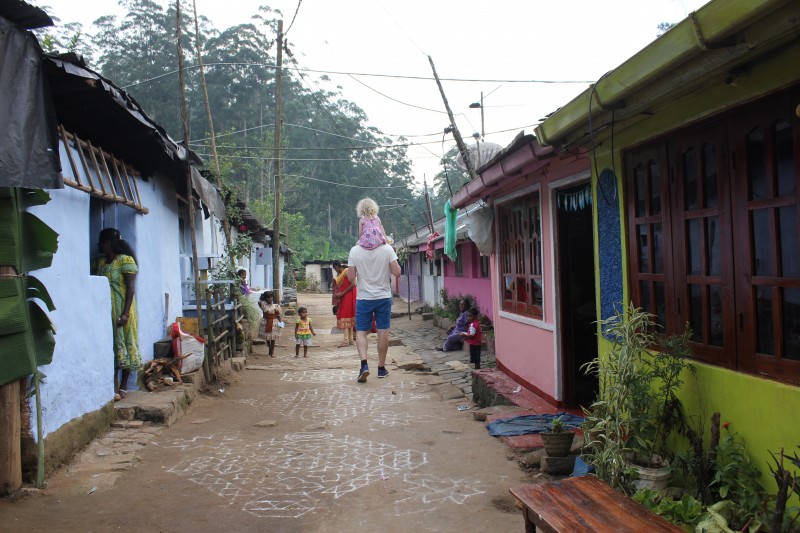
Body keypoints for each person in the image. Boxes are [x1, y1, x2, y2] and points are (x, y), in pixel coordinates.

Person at [347, 223, 402, 382]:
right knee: (382, 330)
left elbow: (351, 278)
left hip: (363, 297)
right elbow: (398, 273)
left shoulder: (355, 250)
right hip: (383, 297)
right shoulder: (387, 249)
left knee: (361, 332)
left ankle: (364, 365)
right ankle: (381, 368)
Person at [96, 228, 141, 401]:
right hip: (107, 310)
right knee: (113, 347)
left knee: (126, 343)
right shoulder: (101, 263)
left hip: (123, 309)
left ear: (108, 243)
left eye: (101, 242)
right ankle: (114, 386)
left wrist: (126, 314)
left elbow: (130, 288)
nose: (99, 245)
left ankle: (123, 386)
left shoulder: (125, 261)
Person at [331, 260, 357, 348]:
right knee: (348, 316)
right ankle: (350, 339)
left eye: (335, 269)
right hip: (345, 296)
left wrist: (342, 293)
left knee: (346, 315)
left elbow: (353, 284)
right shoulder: (343, 273)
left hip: (349, 296)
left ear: (337, 266)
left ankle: (346, 340)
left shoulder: (347, 272)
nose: (336, 271)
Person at [258, 291, 281, 357]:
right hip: (265, 322)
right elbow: (259, 302)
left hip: (274, 323)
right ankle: (269, 349)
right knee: (267, 338)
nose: (270, 299)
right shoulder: (264, 305)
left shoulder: (276, 306)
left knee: (273, 338)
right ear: (265, 298)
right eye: (268, 297)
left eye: (271, 297)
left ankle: (272, 352)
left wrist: (281, 323)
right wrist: (262, 296)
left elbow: (278, 315)